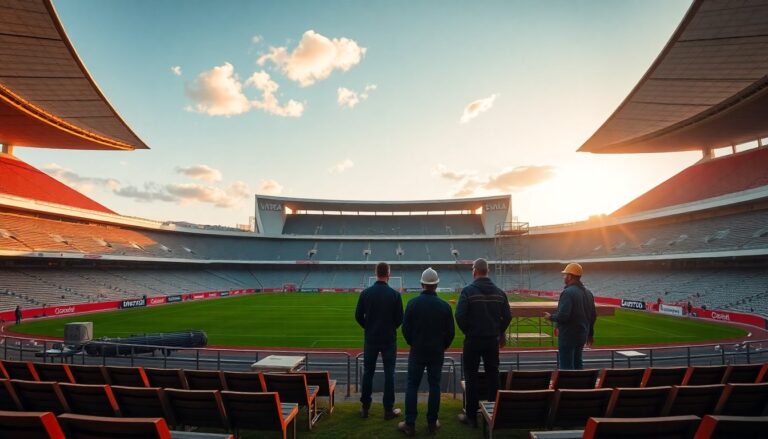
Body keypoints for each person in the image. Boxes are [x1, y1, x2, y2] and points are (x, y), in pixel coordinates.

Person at [455, 258, 512, 427]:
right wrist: (499, 331)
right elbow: (507, 316)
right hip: (491, 341)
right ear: (487, 271)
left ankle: (471, 416)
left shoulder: (468, 291)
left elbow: (459, 316)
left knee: (471, 377)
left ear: (475, 271)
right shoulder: (500, 293)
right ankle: (493, 412)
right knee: (493, 375)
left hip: (473, 340)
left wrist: (469, 331)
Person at [398, 268, 455, 436]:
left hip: (417, 351)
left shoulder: (413, 304)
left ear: (422, 284)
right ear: (436, 284)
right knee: (434, 386)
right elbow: (450, 333)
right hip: (436, 352)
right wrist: (442, 346)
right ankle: (432, 423)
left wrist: (413, 343)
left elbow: (405, 329)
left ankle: (410, 424)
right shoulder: (444, 307)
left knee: (412, 385)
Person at [355, 262, 404, 420]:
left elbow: (358, 316)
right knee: (390, 374)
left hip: (371, 338)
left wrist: (368, 327)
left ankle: (365, 408)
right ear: (388, 274)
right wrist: (389, 328)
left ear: (376, 273)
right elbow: (399, 319)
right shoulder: (395, 295)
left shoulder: (366, 293)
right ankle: (388, 410)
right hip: (389, 339)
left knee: (368, 373)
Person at [544, 263, 596, 370]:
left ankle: (567, 386)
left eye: (565, 275)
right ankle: (578, 385)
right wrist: (590, 334)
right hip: (582, 335)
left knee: (566, 367)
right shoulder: (588, 293)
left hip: (568, 336)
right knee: (578, 364)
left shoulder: (568, 292)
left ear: (570, 276)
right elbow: (593, 315)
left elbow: (563, 316)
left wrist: (550, 317)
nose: (564, 277)